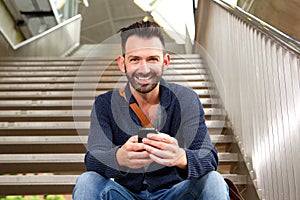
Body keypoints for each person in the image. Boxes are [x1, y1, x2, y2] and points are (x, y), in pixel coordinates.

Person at [73, 21, 229, 200]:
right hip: (125, 195)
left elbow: (209, 157)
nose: (144, 69)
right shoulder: (105, 103)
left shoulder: (186, 99)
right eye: (135, 59)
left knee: (214, 180)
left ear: (165, 61)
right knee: (87, 181)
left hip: (176, 193)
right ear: (122, 64)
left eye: (152, 59)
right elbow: (93, 158)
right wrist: (119, 158)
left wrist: (181, 157)